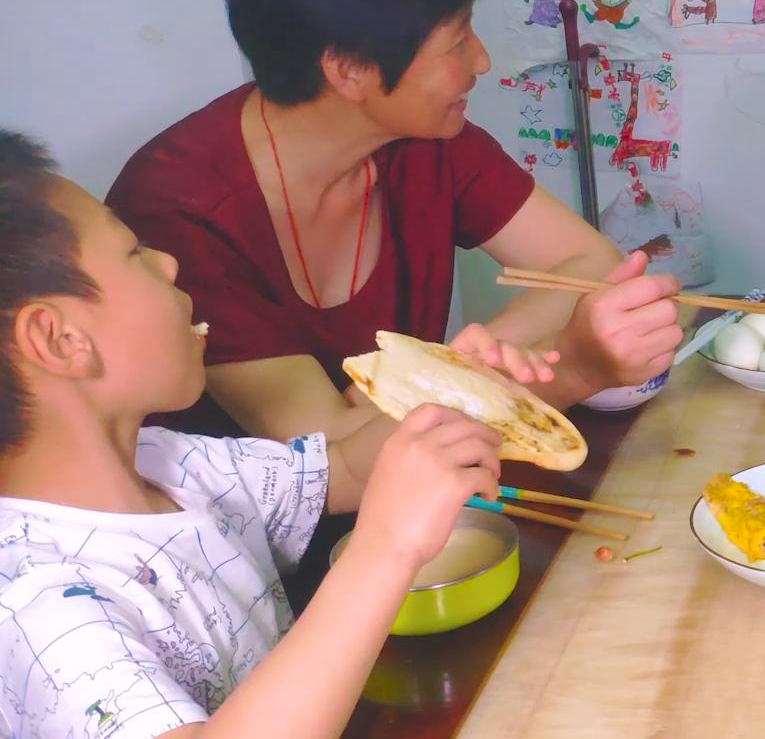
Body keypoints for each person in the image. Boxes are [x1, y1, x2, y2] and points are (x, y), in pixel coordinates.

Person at [108, 0, 683, 458]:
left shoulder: (426, 142)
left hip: (423, 483)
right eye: (457, 41)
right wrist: (559, 367)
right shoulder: (181, 209)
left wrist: (464, 360)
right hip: (258, 540)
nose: (481, 60)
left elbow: (589, 264)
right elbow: (321, 448)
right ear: (350, 70)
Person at [0, 131, 506, 736]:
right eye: (134, 253)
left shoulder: (173, 464)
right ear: (61, 341)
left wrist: (450, 390)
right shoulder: (37, 605)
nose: (168, 262)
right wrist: (386, 546)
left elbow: (342, 469)